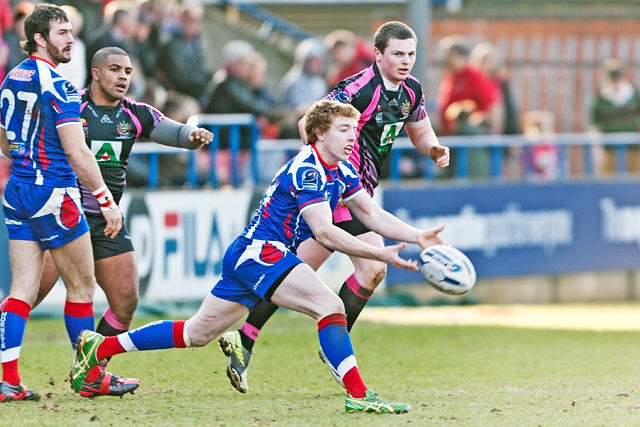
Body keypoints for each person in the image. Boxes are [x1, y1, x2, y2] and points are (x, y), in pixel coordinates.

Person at [70, 99, 446, 414]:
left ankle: (98, 346)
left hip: (252, 255)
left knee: (197, 333)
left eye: (354, 128)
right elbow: (326, 232)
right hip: (261, 254)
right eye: (344, 129)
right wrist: (382, 254)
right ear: (319, 133)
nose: (353, 137)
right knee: (330, 306)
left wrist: (417, 236)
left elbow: (372, 214)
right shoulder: (309, 169)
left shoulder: (341, 168)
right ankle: (360, 396)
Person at [218, 21, 450, 394]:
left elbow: (420, 130)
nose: (406, 61)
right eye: (398, 54)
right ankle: (335, 346)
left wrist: (433, 148)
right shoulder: (357, 88)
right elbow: (307, 122)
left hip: (359, 190)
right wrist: (323, 172)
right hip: (340, 192)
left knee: (297, 271)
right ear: (378, 54)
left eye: (411, 54)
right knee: (371, 267)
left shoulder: (412, 91)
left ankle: (243, 339)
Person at [32, 46, 213, 398]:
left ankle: (90, 372)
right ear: (96, 73)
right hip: (65, 215)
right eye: (115, 70)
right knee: (29, 294)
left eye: (128, 71)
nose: (123, 77)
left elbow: (175, 133)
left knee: (126, 301)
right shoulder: (73, 107)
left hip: (106, 220)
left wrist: (194, 136)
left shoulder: (135, 114)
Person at [0, 4, 123, 402]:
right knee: (82, 287)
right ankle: (90, 377)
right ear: (39, 38)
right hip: (55, 192)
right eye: (62, 33)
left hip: (18, 189)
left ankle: (7, 381)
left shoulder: (11, 78)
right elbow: (77, 151)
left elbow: (3, 138)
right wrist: (105, 200)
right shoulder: (59, 84)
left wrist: (23, 157)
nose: (71, 39)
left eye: (71, 32)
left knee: (20, 289)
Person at [436, 35, 504, 136]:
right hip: (450, 135)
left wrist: (494, 133)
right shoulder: (450, 77)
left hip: (469, 136)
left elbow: (493, 105)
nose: (445, 59)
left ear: (459, 55)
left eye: (449, 55)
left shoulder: (475, 76)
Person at [589, 58, 640, 175]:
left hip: (634, 146)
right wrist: (597, 148)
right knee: (606, 177)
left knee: (635, 178)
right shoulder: (599, 97)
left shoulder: (634, 94)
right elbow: (593, 124)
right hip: (608, 146)